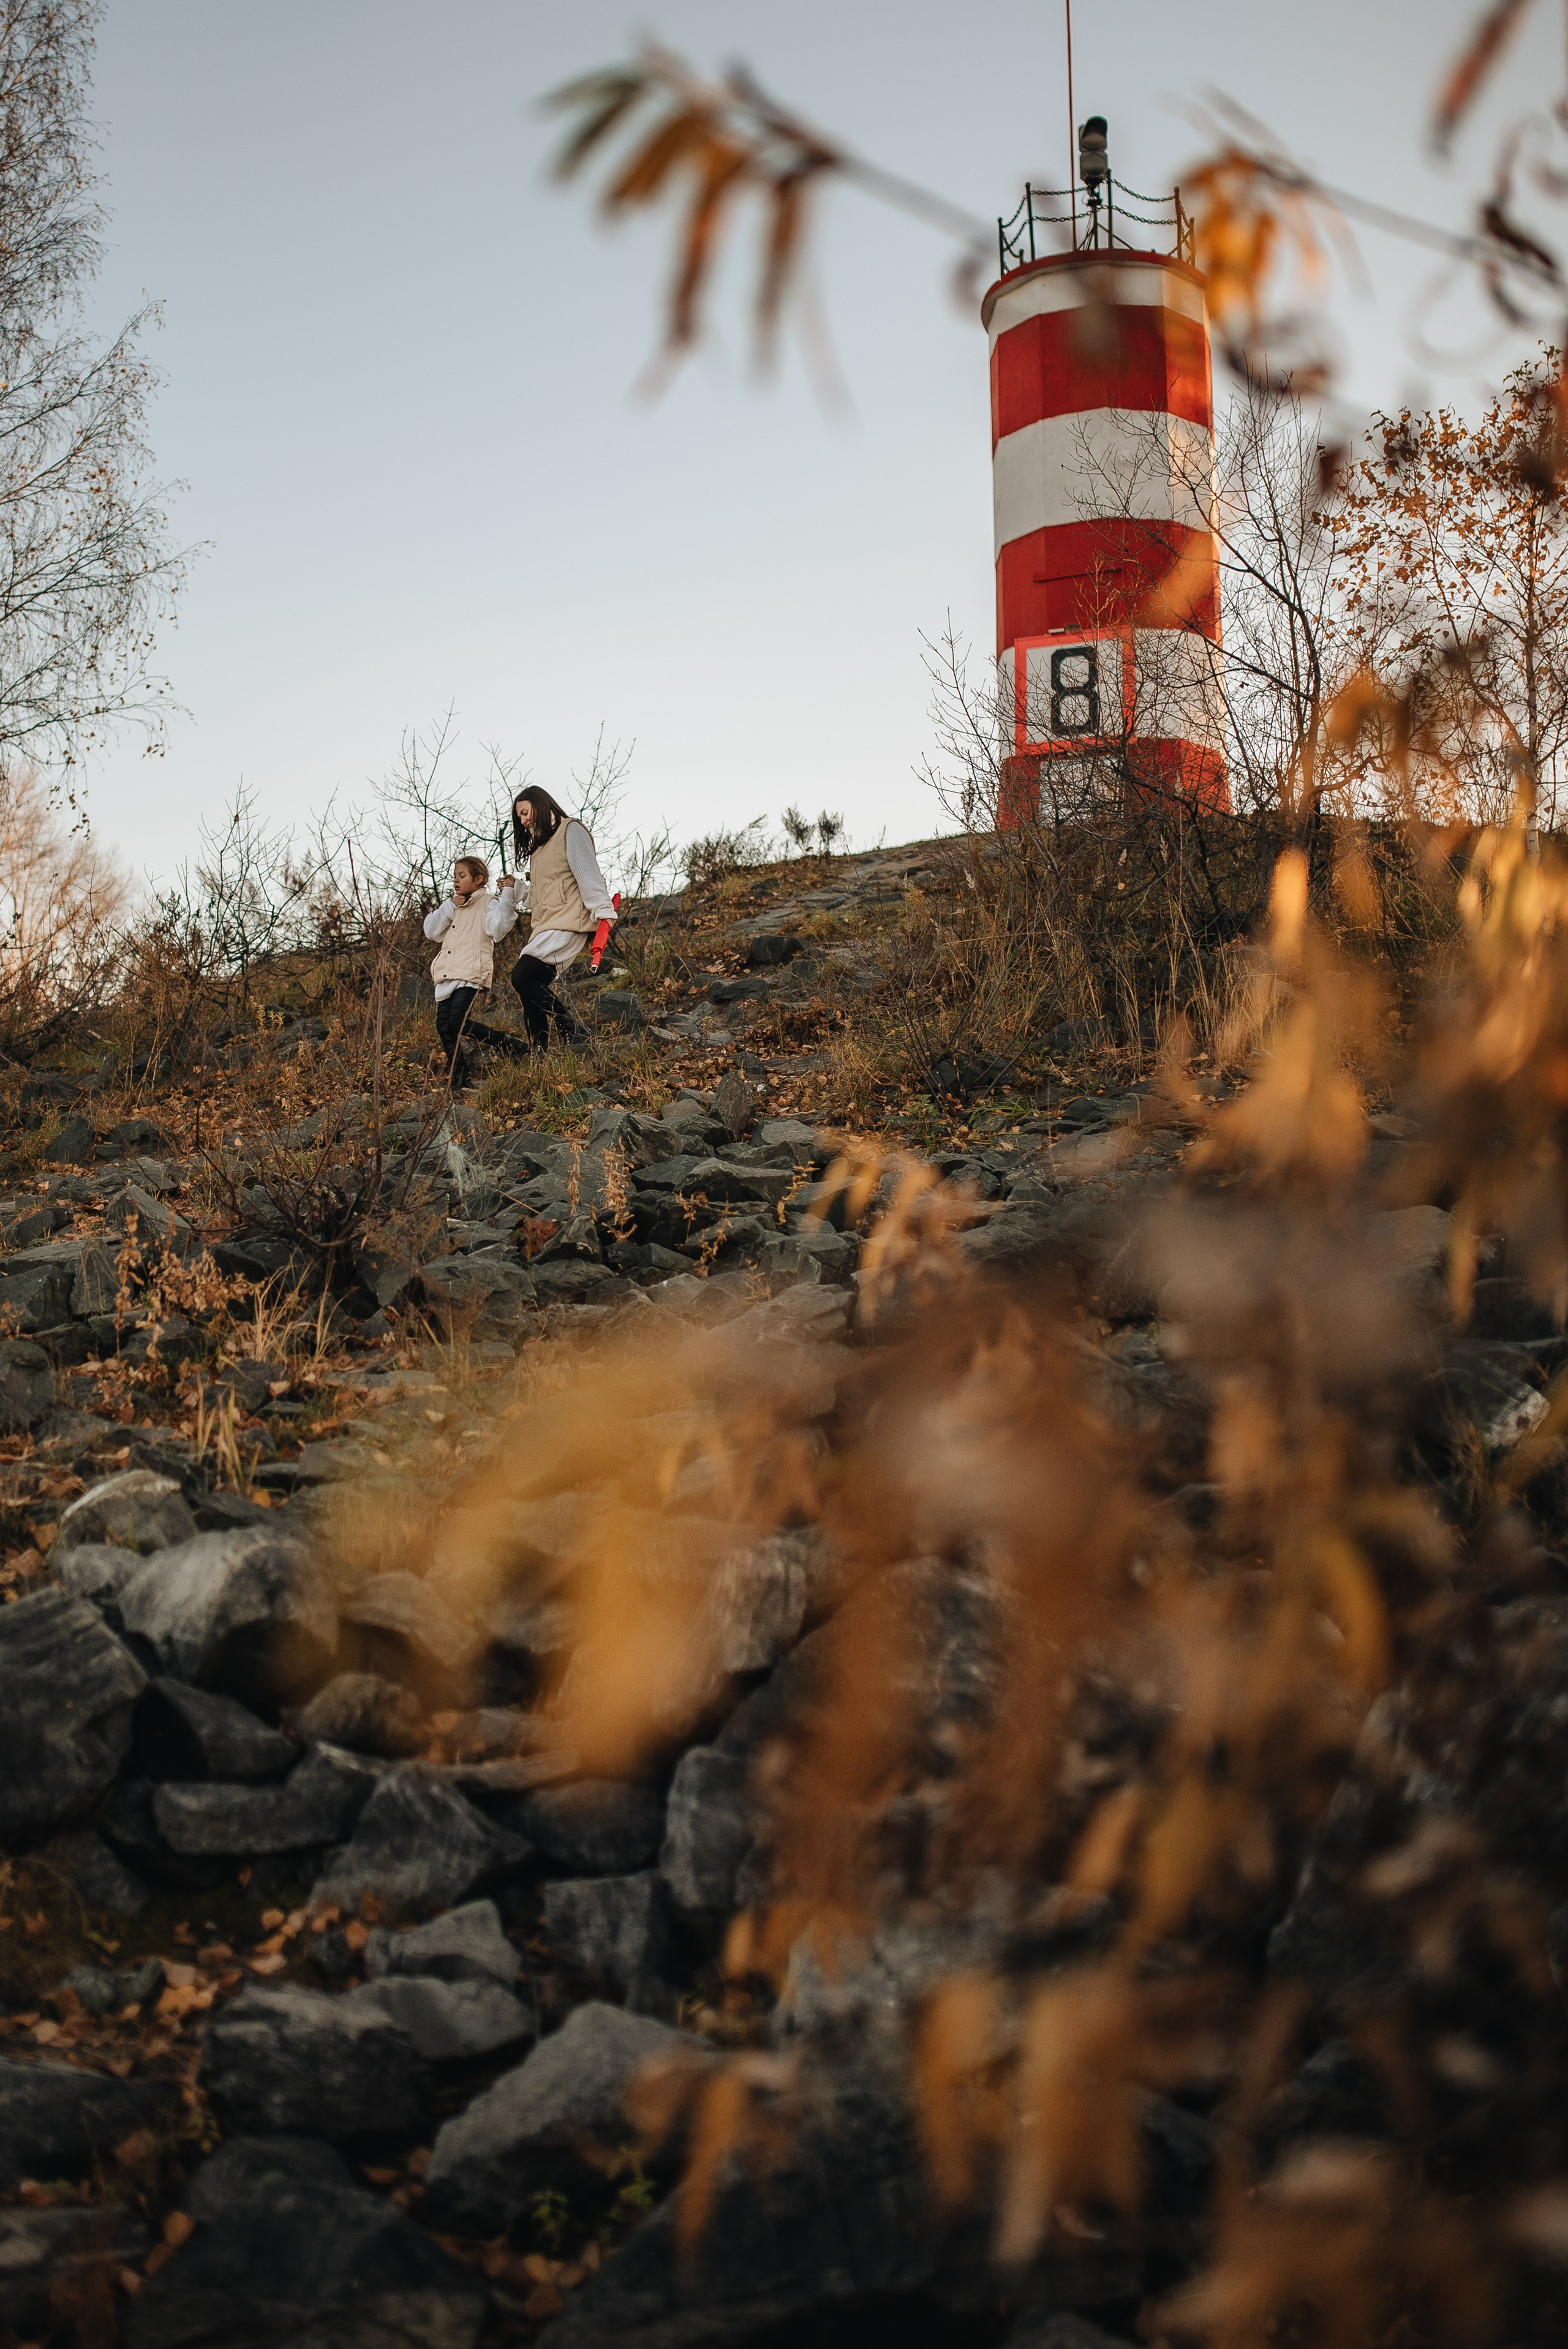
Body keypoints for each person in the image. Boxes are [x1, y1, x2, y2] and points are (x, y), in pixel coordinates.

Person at [506, 786, 616, 1050]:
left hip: (569, 922)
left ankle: (571, 1025)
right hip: (546, 925)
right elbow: (544, 895)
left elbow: (588, 874)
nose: (523, 821)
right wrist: (518, 888)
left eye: (525, 812)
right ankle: (539, 1056)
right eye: (519, 817)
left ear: (541, 804)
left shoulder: (571, 830)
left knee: (522, 977)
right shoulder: (538, 849)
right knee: (530, 990)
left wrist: (603, 911)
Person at [423, 854, 519, 1085]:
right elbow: (432, 932)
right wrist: (448, 906)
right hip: (448, 974)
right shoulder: (453, 906)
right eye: (455, 876)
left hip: (471, 972)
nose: (456, 880)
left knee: (456, 1023)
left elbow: (499, 928)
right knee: (444, 1028)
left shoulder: (489, 903)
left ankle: (508, 1044)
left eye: (462, 876)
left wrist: (507, 896)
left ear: (479, 879)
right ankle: (461, 1077)